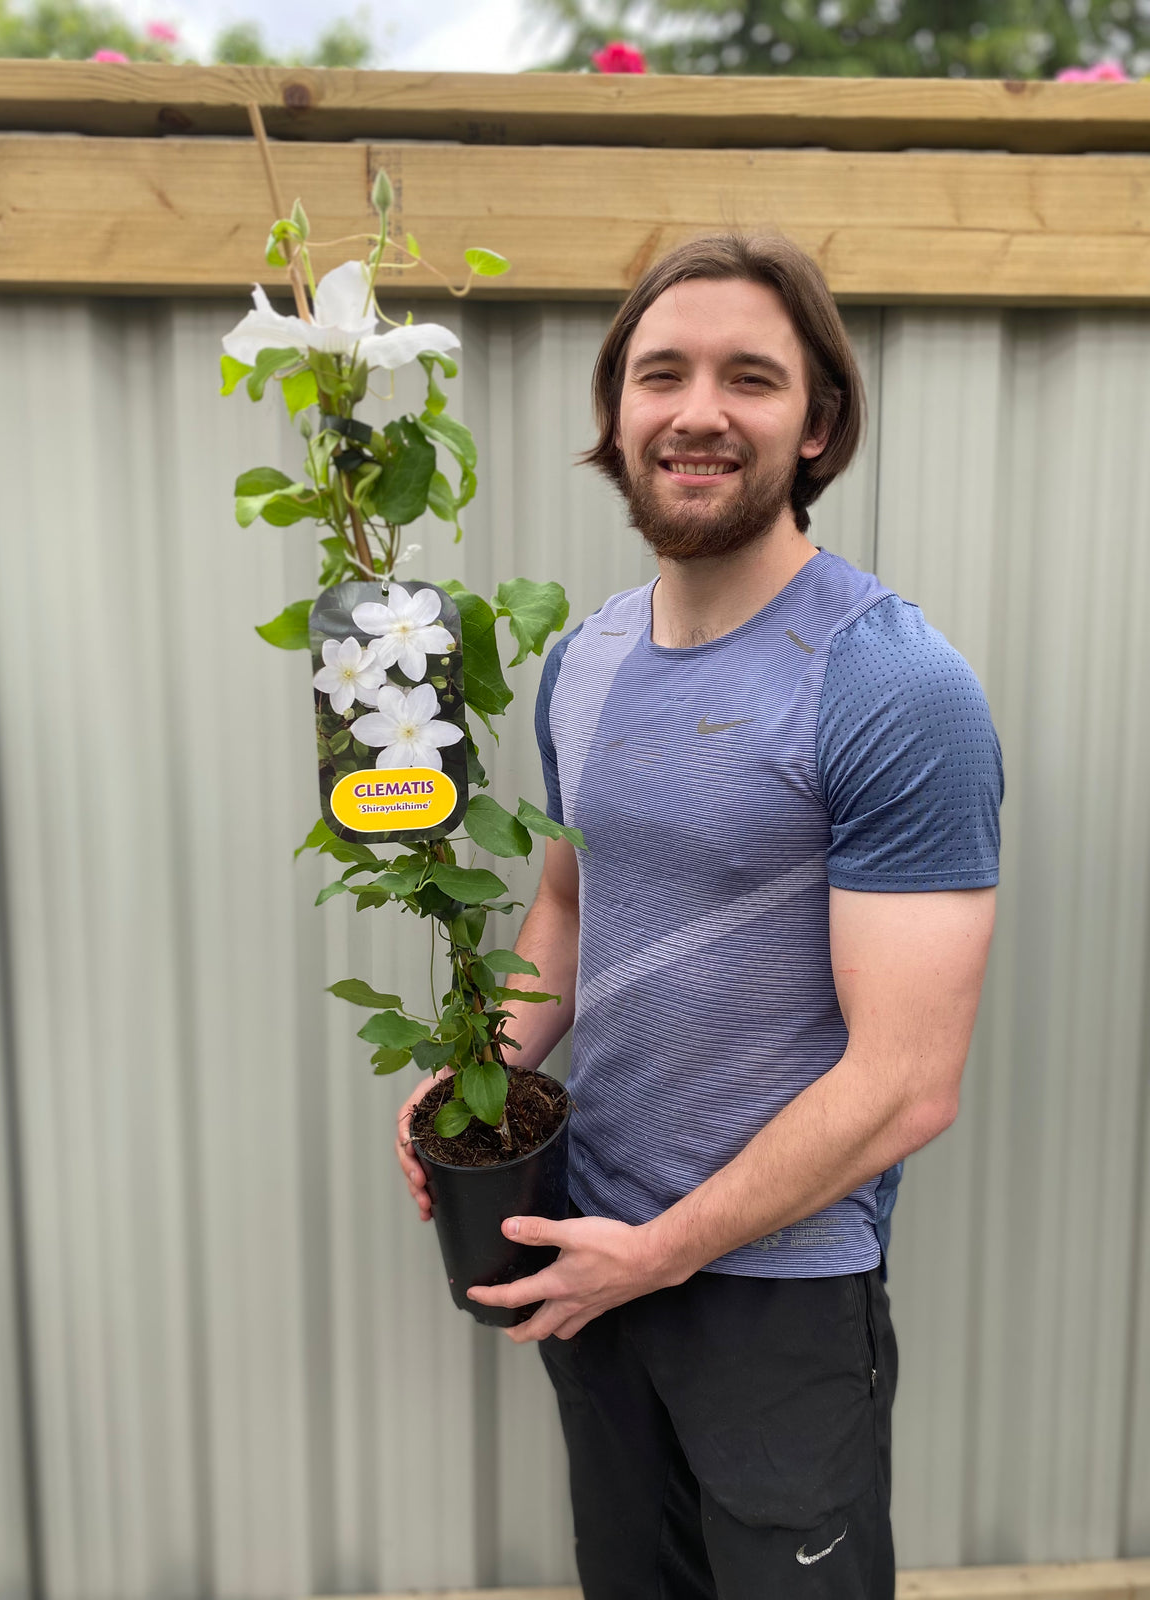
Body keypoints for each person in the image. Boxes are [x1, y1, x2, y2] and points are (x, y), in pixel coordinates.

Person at [395, 233, 1003, 1599]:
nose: (699, 411)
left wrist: (653, 1257)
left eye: (751, 377)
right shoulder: (586, 659)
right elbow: (566, 903)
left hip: (777, 1297)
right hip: (587, 1250)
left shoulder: (891, 683)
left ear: (820, 421)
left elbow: (909, 1086)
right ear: (617, 416)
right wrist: (486, 1072)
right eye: (660, 374)